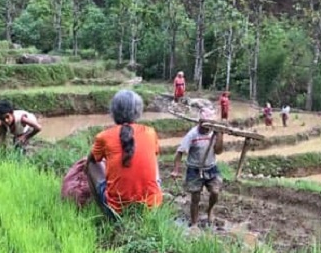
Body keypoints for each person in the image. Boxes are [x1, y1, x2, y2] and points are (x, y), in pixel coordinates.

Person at [85, 90, 163, 218]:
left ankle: (105, 212)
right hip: (152, 205)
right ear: (138, 111)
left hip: (117, 209)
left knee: (91, 165)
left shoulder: (104, 136)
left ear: (114, 111)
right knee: (153, 159)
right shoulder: (150, 132)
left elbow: (92, 159)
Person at [171, 108, 224, 227]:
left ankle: (210, 210)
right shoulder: (192, 134)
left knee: (215, 192)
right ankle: (194, 223)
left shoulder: (214, 133)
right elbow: (180, 152)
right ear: (200, 123)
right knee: (195, 197)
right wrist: (175, 170)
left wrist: (220, 135)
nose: (207, 128)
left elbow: (219, 151)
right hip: (194, 169)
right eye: (205, 124)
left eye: (210, 125)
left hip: (211, 167)